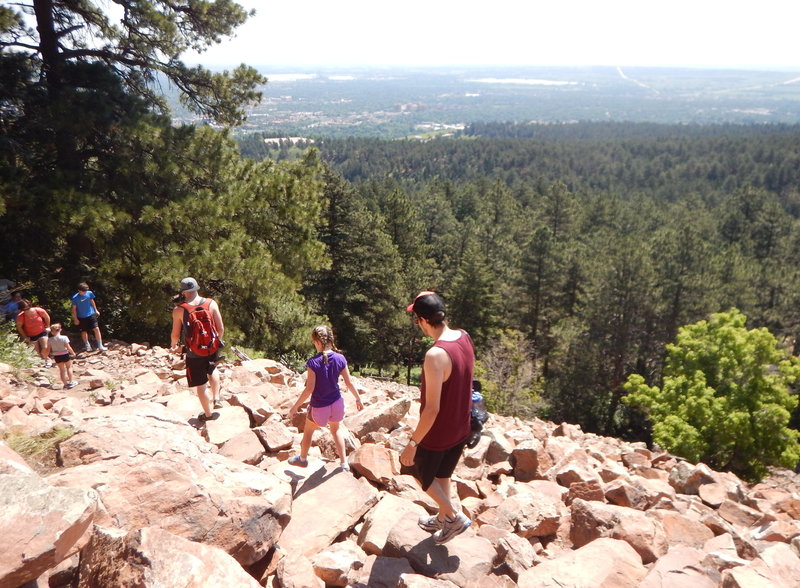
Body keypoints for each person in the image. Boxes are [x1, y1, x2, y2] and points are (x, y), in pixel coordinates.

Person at [400, 291, 475, 544]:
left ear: (422, 321)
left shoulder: (435, 355)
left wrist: (412, 444)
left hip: (439, 432)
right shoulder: (464, 337)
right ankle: (443, 518)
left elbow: (431, 409)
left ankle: (454, 516)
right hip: (461, 426)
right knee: (443, 475)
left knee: (417, 470)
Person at [288, 325, 365, 471]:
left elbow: (309, 389)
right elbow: (348, 383)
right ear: (330, 339)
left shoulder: (313, 362)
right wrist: (358, 399)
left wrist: (295, 407)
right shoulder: (340, 358)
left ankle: (302, 459)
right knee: (336, 430)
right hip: (336, 404)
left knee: (308, 430)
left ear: (317, 342)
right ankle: (344, 464)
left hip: (319, 407)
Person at [170, 277, 225, 422]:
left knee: (200, 385)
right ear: (196, 288)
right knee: (212, 369)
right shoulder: (211, 303)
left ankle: (208, 415)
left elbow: (175, 334)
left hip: (193, 351)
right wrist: (215, 342)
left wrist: (174, 346)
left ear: (183, 291)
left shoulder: (179, 310)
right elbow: (221, 328)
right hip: (211, 347)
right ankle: (217, 398)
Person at [70, 282, 106, 352]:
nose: (85, 292)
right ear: (79, 290)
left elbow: (92, 301)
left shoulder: (89, 293)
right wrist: (75, 319)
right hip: (81, 316)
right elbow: (74, 309)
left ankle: (100, 345)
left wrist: (96, 310)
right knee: (84, 331)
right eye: (83, 291)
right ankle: (87, 345)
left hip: (91, 314)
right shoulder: (75, 298)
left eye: (86, 291)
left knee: (96, 328)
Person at [15, 299, 51, 366]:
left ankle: (46, 358)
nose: (27, 310)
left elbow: (47, 317)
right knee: (35, 352)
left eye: (28, 308)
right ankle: (40, 363)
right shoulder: (21, 316)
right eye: (25, 309)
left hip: (42, 332)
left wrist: (48, 326)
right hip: (31, 335)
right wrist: (25, 337)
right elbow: (19, 327)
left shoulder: (38, 310)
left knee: (45, 347)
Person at [48, 323, 77, 389]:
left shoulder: (50, 339)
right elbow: (68, 347)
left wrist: (47, 355)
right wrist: (73, 353)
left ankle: (65, 384)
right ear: (60, 329)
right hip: (65, 354)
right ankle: (71, 382)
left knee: (62, 370)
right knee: (69, 367)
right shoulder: (64, 337)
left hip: (57, 356)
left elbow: (49, 349)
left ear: (52, 332)